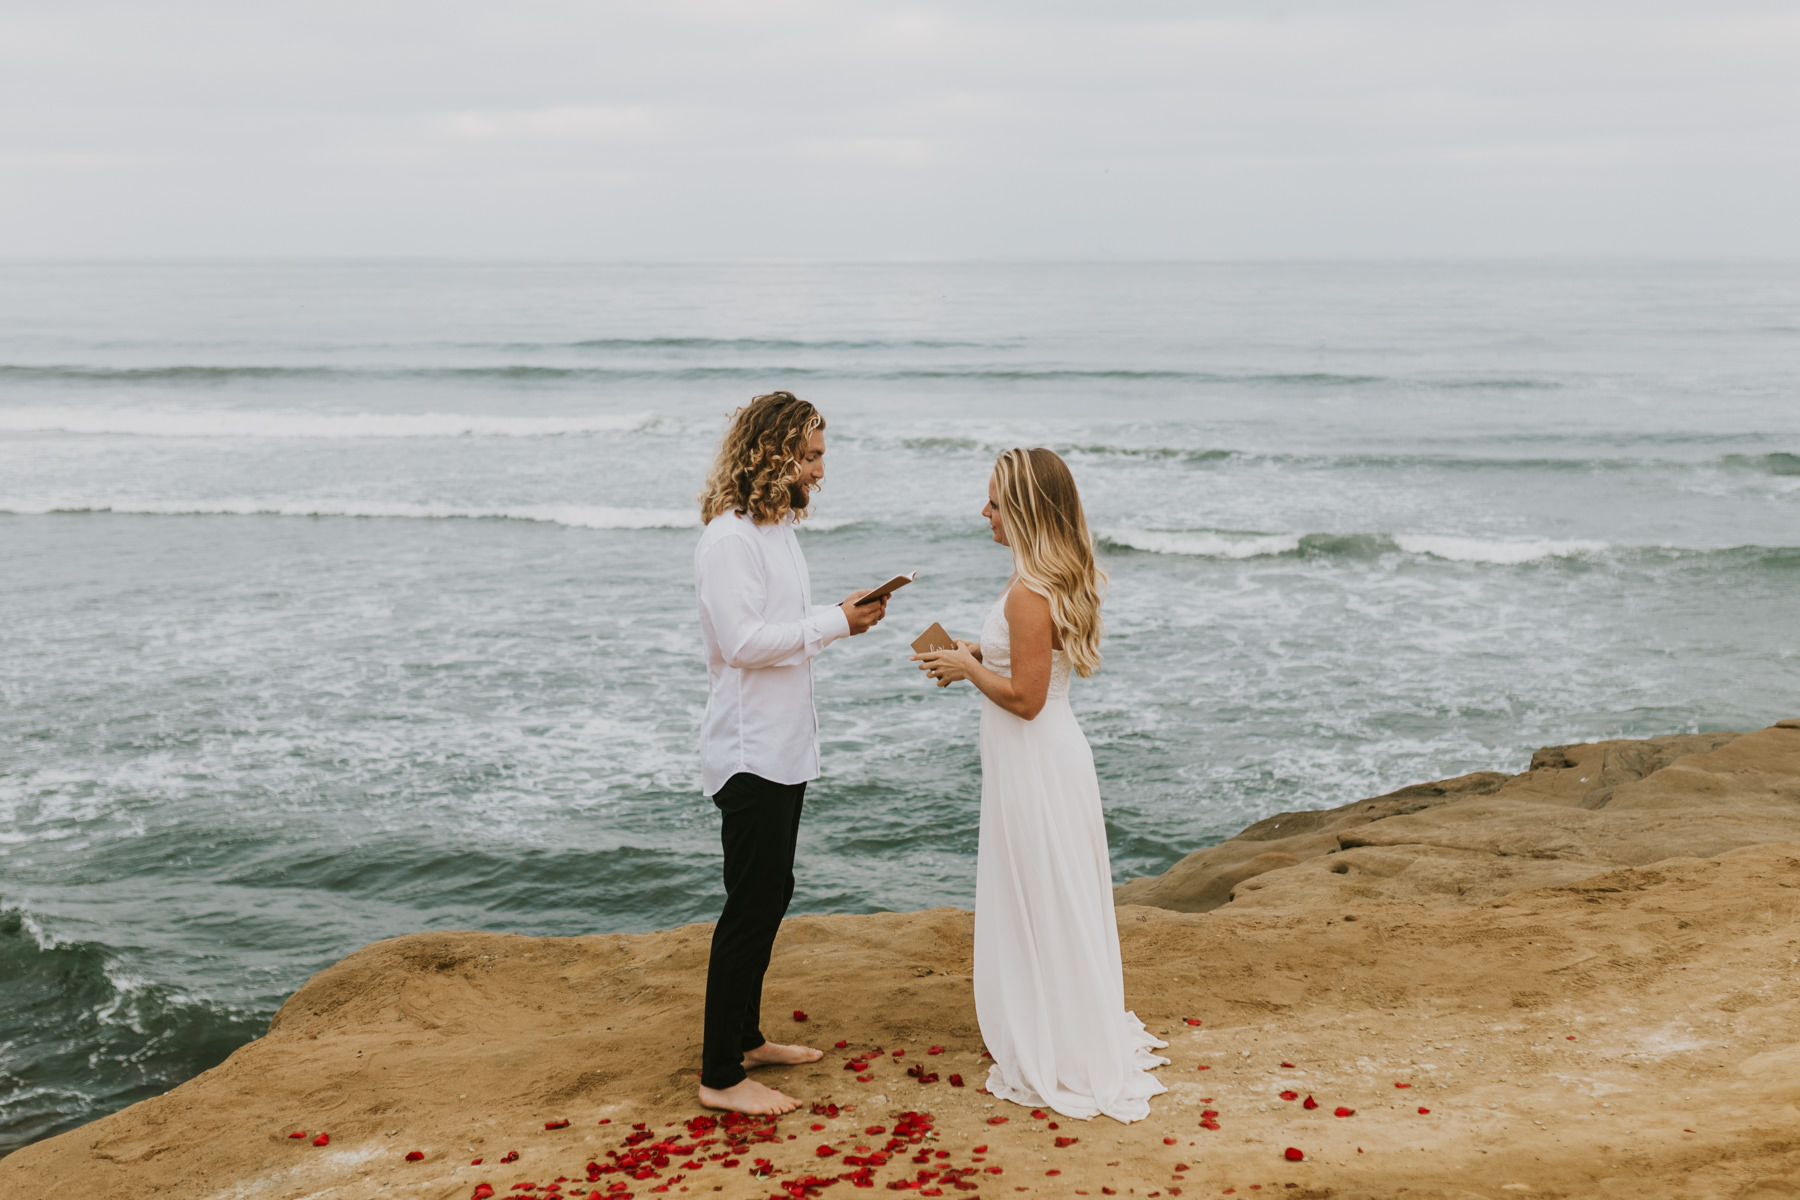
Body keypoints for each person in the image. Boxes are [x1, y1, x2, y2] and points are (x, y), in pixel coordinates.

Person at [912, 447, 1168, 1122]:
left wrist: (968, 670)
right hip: (1044, 756)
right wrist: (972, 654)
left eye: (995, 502)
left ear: (1023, 509)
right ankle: (1062, 1020)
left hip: (1036, 757)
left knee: (1043, 894)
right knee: (1051, 893)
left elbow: (1025, 698)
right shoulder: (1039, 581)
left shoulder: (1029, 592)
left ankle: (1059, 1042)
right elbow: (1028, 670)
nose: (985, 513)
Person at [692, 391, 888, 1116]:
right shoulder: (729, 539)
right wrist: (835, 622)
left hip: (785, 745)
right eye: (811, 456)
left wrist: (840, 619)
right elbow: (744, 645)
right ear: (772, 454)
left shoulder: (776, 531)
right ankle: (719, 1076)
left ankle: (744, 1038)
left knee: (773, 893)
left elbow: (785, 625)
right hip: (749, 753)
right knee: (749, 907)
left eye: (821, 455)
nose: (820, 470)